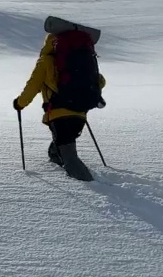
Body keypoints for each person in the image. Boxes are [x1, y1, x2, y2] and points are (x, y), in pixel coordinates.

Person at [13, 16, 106, 181]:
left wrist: (20, 103)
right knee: (62, 144)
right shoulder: (84, 59)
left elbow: (33, 85)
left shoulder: (46, 61)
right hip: (80, 114)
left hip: (59, 114)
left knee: (69, 155)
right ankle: (57, 160)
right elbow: (100, 81)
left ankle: (94, 186)